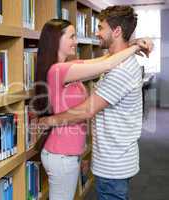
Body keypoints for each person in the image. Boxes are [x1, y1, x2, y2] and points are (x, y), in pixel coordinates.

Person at [36, 6, 153, 200]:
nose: (96, 33)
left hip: (108, 160)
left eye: (100, 27)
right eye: (71, 37)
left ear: (116, 31)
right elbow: (105, 64)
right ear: (56, 40)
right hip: (67, 154)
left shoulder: (119, 68)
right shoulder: (59, 69)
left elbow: (106, 61)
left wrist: (133, 45)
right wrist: (134, 47)